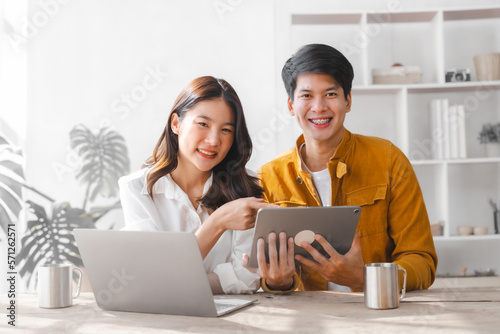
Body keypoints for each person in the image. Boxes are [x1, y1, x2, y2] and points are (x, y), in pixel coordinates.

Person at [245, 44, 438, 293]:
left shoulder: (388, 160)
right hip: (309, 324)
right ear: (291, 105)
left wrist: (366, 280)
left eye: (330, 94)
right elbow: (266, 274)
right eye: (306, 96)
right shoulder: (268, 177)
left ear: (347, 101)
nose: (319, 107)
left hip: (379, 316)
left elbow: (422, 261)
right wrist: (278, 282)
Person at [119, 76, 274, 294]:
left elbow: (247, 277)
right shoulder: (137, 189)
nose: (213, 141)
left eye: (226, 130)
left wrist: (177, 283)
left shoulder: (243, 185)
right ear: (176, 124)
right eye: (203, 124)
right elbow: (151, 277)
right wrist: (218, 222)